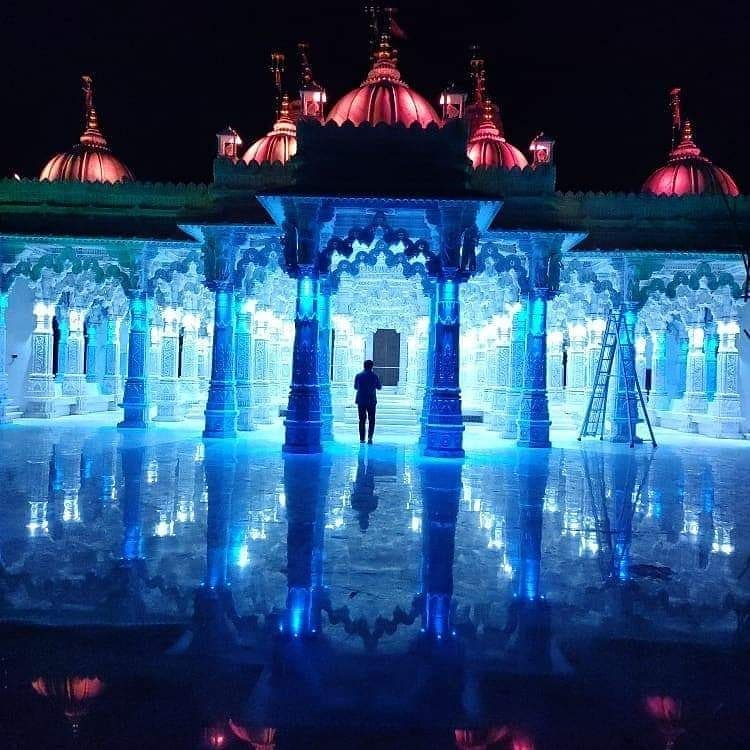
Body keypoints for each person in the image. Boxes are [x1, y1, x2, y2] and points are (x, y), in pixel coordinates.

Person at [354, 359, 382, 444]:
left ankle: (362, 438)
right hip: (371, 400)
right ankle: (370, 438)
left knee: (361, 419)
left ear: (364, 366)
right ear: (372, 366)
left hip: (361, 400)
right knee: (371, 419)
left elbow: (355, 387)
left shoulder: (358, 375)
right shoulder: (375, 376)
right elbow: (379, 387)